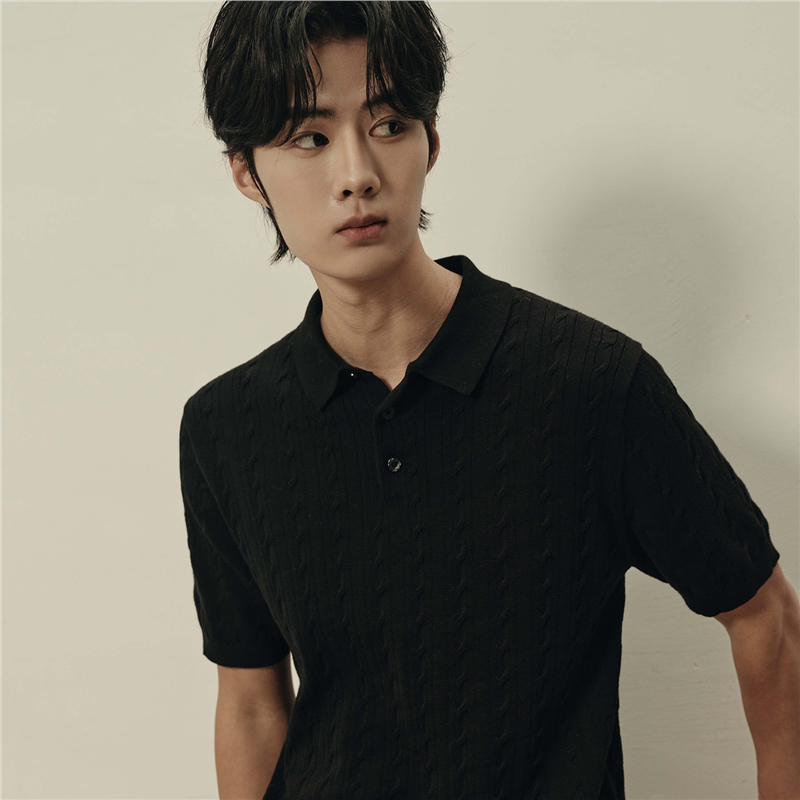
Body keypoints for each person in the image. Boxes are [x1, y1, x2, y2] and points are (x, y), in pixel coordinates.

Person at [179, 3, 800, 799]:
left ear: (431, 141)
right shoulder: (226, 427)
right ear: (246, 171)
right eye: (309, 137)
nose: (357, 173)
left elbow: (765, 618)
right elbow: (251, 702)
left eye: (389, 124)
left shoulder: (590, 383)